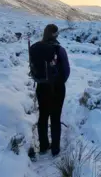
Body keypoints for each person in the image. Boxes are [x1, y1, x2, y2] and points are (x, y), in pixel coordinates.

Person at [29, 24, 70, 156]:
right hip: (57, 88)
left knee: (43, 116)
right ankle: (55, 148)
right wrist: (59, 82)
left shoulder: (35, 47)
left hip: (41, 87)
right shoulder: (59, 49)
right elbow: (66, 71)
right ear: (55, 34)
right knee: (55, 117)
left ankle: (43, 146)